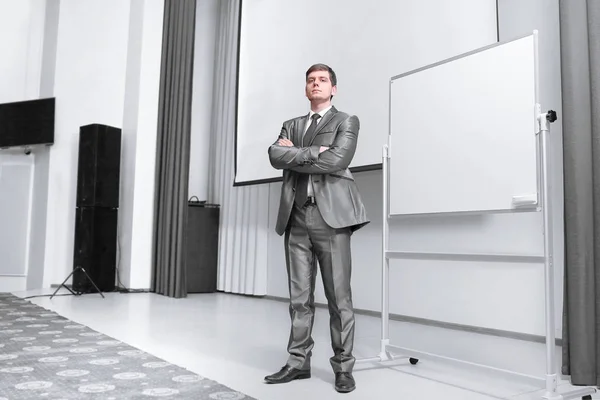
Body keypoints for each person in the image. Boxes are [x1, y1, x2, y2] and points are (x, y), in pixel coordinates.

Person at [265, 63, 369, 393]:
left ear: (333, 88)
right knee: (299, 299)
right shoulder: (291, 124)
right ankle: (298, 363)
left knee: (339, 299)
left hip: (331, 218)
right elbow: (274, 155)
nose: (316, 84)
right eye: (311, 80)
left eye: (322, 80)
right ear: (306, 88)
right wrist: (312, 152)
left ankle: (343, 367)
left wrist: (294, 153)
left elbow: (336, 161)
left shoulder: (345, 120)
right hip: (296, 217)